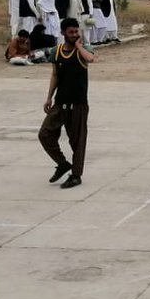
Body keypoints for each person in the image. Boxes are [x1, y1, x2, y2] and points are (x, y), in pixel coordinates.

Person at [38, 17, 95, 190]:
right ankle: (62, 164)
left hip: (78, 104)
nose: (74, 34)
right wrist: (49, 97)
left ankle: (76, 175)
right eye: (70, 32)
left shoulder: (82, 50)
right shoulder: (56, 51)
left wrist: (79, 45)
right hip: (60, 102)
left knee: (77, 141)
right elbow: (55, 75)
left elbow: (91, 59)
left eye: (76, 31)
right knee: (45, 134)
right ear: (63, 33)